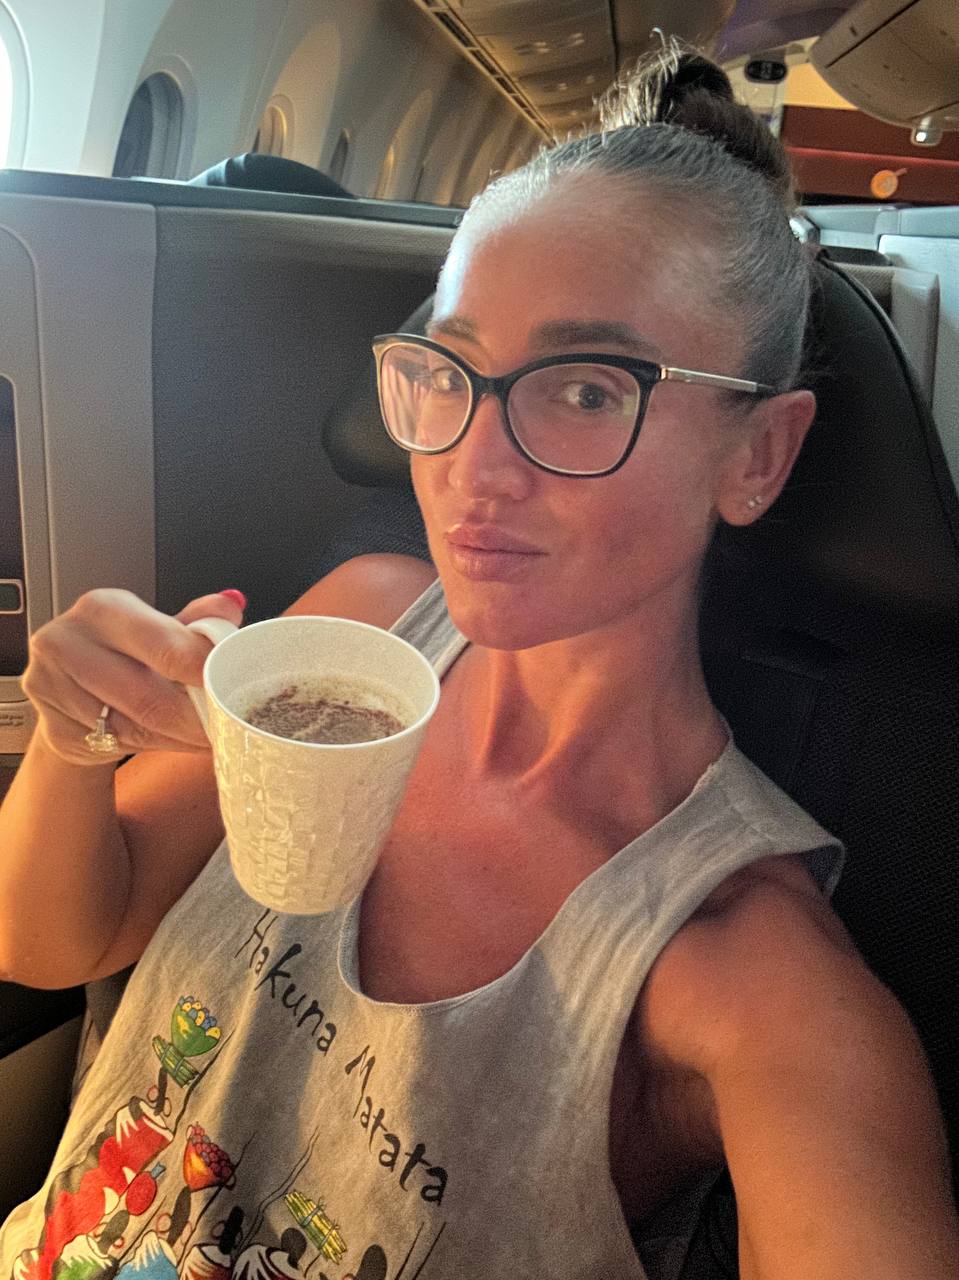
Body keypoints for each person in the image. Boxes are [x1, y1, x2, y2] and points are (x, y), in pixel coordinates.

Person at [1, 43, 958, 1280]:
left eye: (584, 391)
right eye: (447, 371)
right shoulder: (357, 630)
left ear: (756, 457)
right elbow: (49, 943)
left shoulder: (750, 977)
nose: (472, 467)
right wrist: (75, 737)